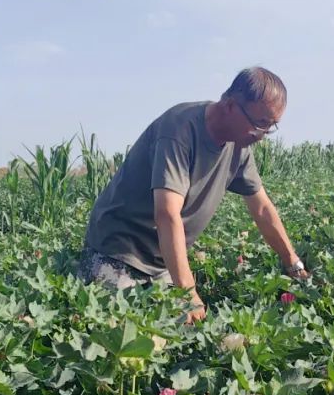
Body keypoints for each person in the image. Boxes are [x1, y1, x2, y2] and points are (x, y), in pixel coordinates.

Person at [77, 66, 310, 322]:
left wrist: (293, 264)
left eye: (271, 127)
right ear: (231, 106)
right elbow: (167, 214)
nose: (263, 135)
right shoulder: (179, 131)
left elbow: (262, 208)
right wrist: (188, 292)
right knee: (124, 329)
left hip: (161, 262)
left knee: (184, 333)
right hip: (119, 252)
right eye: (260, 124)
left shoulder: (239, 145)